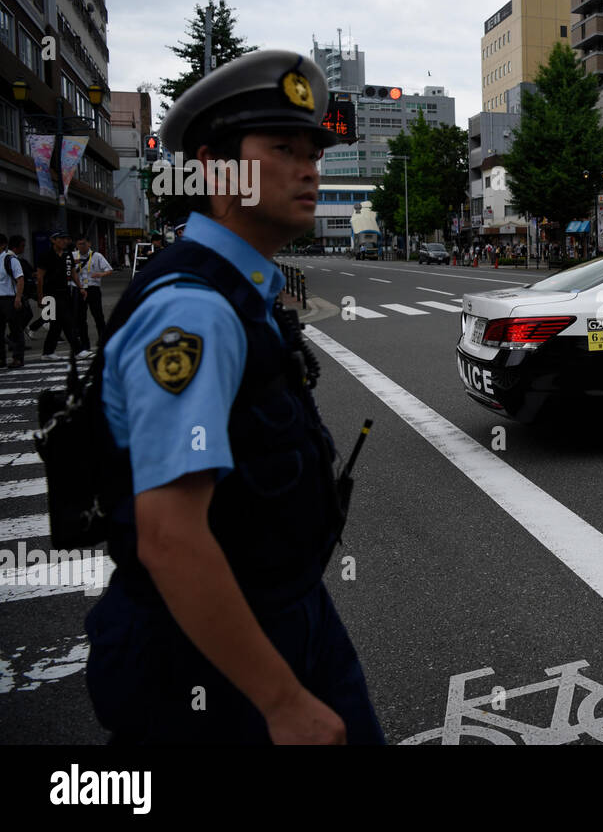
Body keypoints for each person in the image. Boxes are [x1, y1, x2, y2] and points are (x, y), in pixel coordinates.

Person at [83, 49, 383, 745]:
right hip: (206, 661)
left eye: (314, 148)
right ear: (218, 168)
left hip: (287, 613)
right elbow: (170, 534)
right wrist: (280, 700)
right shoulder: (195, 312)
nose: (310, 166)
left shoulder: (241, 290)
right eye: (283, 147)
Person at [36, 230, 88, 360]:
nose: (65, 241)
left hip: (65, 291)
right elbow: (40, 278)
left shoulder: (67, 254)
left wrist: (80, 287)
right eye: (61, 238)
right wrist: (40, 297)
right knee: (67, 320)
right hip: (50, 293)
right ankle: (78, 350)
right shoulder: (45, 255)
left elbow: (73, 273)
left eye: (66, 238)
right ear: (53, 240)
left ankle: (48, 352)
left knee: (56, 324)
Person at [75, 234, 112, 350]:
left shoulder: (96, 256)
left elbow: (109, 270)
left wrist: (101, 274)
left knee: (98, 316)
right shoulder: (72, 256)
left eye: (83, 244)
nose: (81, 246)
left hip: (93, 288)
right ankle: (85, 344)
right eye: (79, 244)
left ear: (89, 244)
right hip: (79, 289)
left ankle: (103, 340)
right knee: (81, 318)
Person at [0, 234, 27, 367]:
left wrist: (18, 298)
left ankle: (18, 358)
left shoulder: (10, 260)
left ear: (3, 245)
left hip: (10, 299)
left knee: (15, 329)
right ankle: (1, 359)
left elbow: (20, 279)